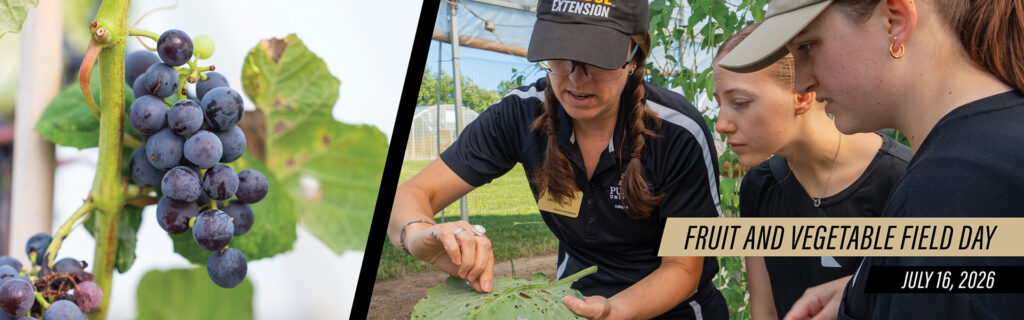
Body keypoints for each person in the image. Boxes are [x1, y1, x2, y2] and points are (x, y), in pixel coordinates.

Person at [387, 0, 729, 318]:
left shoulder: (677, 132)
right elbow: (410, 195)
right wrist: (419, 236)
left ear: (635, 55)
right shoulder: (519, 115)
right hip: (572, 306)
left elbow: (683, 269)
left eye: (597, 57)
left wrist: (612, 309)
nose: (576, 78)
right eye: (560, 54)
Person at [718, 0, 1024, 319]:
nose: (800, 83)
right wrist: (868, 290)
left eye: (808, 46)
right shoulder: (989, 160)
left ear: (894, 21)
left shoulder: (948, 191)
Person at [712, 21, 911, 319]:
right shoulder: (759, 185)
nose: (721, 124)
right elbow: (764, 309)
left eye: (740, 102)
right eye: (719, 104)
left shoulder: (902, 181)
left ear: (802, 96)